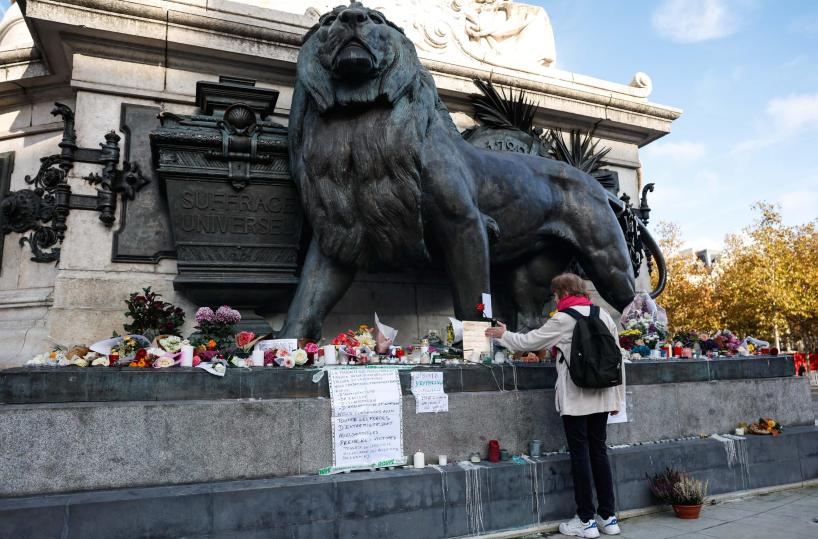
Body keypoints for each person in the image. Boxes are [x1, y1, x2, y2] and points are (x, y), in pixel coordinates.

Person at [485, 273, 624, 538]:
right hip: (604, 394)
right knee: (599, 452)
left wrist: (503, 334)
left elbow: (529, 342)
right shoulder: (603, 315)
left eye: (555, 295)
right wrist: (618, 397)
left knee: (581, 454)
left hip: (577, 396)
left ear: (560, 294)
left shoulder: (564, 318)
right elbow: (618, 358)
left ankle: (586, 521)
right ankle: (608, 517)